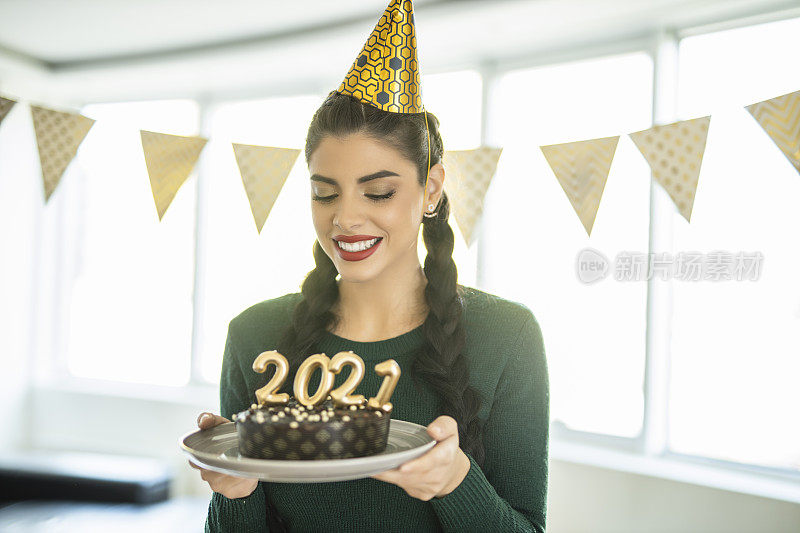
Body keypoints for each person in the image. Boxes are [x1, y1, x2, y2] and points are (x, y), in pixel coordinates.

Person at [191, 1, 549, 531]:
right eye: (324, 193)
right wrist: (236, 493)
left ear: (430, 189)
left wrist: (453, 483)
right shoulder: (253, 336)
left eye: (378, 192)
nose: (346, 219)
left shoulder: (507, 335)